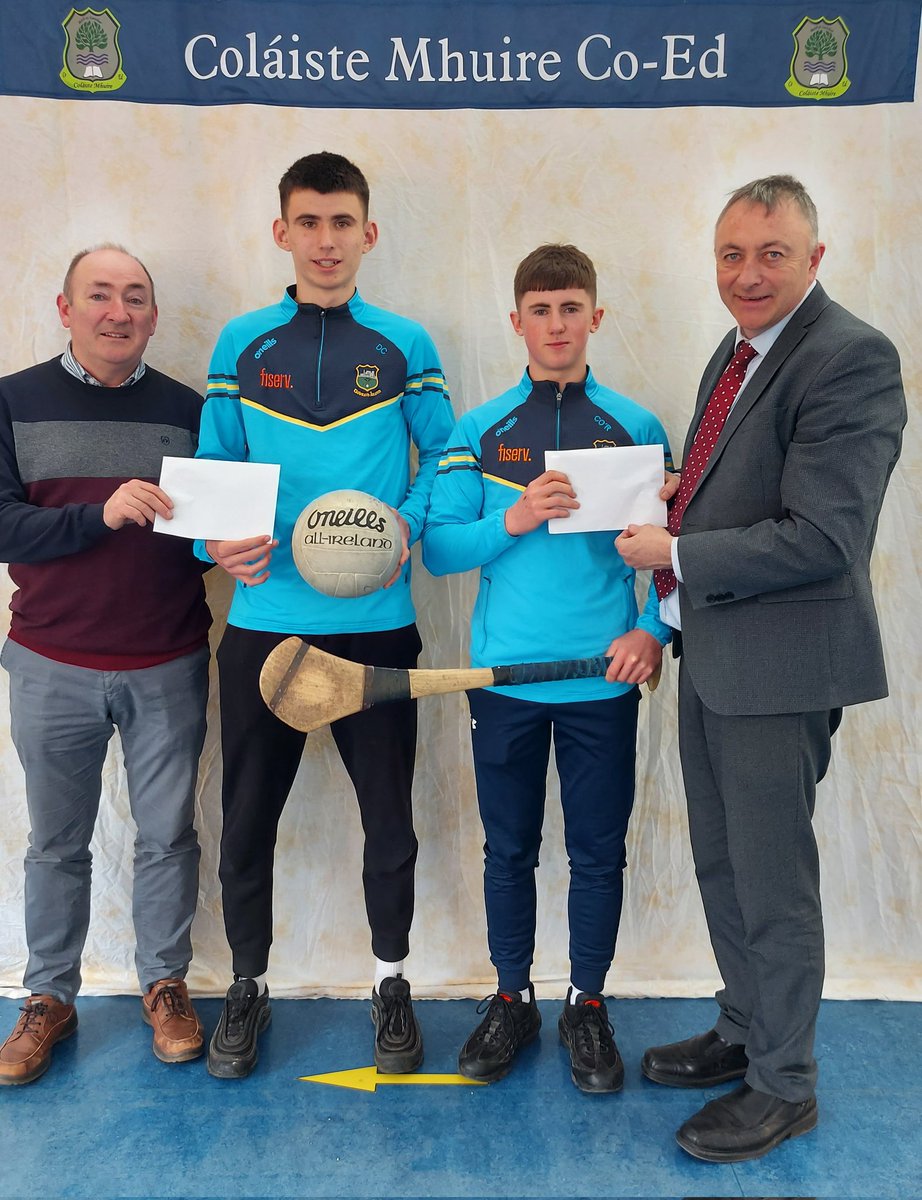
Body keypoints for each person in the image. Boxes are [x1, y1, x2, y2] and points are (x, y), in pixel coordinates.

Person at [616, 175, 906, 1160]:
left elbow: (824, 535)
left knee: (773, 882)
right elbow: (741, 485)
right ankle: (745, 1029)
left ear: (814, 259)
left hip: (779, 669)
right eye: (731, 253)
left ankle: (785, 1085)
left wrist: (676, 553)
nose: (746, 273)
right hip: (715, 653)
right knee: (722, 861)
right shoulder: (735, 355)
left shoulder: (850, 358)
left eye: (771, 254)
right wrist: (678, 495)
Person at [197, 152, 453, 1079]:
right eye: (309, 222)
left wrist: (407, 530)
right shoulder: (241, 344)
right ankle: (247, 987)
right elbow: (215, 469)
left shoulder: (405, 343)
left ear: (368, 233)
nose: (326, 240)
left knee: (389, 818)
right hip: (266, 625)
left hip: (377, 626)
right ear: (283, 233)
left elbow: (448, 453)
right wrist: (212, 549)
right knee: (246, 819)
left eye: (342, 223)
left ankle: (392, 982)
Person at [423, 244, 672, 1092]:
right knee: (510, 849)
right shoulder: (479, 431)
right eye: (541, 309)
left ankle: (587, 1004)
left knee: (600, 852)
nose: (557, 324)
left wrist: (652, 632)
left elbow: (664, 560)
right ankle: (512, 996)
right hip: (507, 682)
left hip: (603, 678)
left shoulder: (637, 427)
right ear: (517, 321)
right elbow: (444, 547)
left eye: (572, 308)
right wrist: (518, 515)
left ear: (595, 318)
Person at [0, 245, 212, 1085]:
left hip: (168, 660)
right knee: (56, 843)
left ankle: (165, 984)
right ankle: (48, 996)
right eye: (100, 295)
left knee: (167, 838)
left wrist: (233, 544)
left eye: (135, 298)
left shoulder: (189, 411)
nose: (118, 311)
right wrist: (100, 513)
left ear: (154, 317)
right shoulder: (11, 400)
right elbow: (3, 526)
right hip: (50, 661)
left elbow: (199, 539)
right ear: (65, 307)